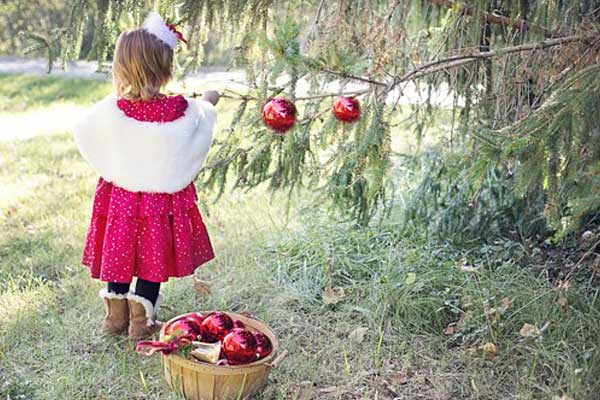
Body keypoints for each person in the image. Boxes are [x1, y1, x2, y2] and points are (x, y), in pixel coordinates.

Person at [73, 11, 219, 339]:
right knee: (153, 256)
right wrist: (210, 100)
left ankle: (115, 318)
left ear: (121, 68)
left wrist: (115, 166)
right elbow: (201, 120)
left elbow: (84, 129)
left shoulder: (112, 109)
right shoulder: (181, 109)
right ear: (167, 70)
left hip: (122, 199)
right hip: (159, 203)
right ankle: (141, 321)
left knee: (121, 251)